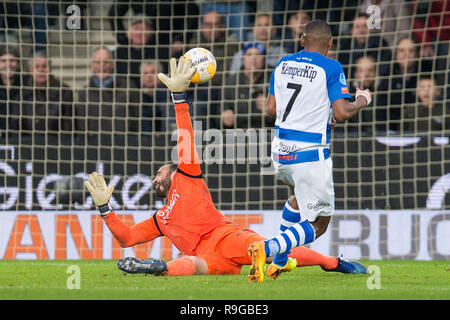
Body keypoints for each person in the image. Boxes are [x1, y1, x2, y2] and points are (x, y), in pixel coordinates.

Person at [83, 57, 367, 279]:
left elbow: (185, 138)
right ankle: (158, 267)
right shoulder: (161, 219)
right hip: (208, 258)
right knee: (194, 265)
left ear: (174, 171)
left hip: (225, 237)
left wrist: (179, 98)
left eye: (159, 172)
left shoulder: (188, 176)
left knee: (269, 253)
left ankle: (332, 263)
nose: (154, 178)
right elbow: (127, 238)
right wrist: (105, 209)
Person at [247, 20, 371, 282]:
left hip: (280, 150)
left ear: (302, 41)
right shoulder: (331, 66)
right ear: (330, 44)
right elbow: (342, 112)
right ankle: (267, 248)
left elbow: (271, 109)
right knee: (319, 223)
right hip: (309, 152)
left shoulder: (283, 64)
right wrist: (361, 100)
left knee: (295, 198)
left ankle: (278, 263)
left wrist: (321, 114)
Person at [75, 46, 140, 134]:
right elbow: (82, 127)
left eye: (106, 61)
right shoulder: (84, 93)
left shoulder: (129, 87)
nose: (102, 65)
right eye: (98, 62)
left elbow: (138, 119)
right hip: (95, 144)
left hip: (125, 143)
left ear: (112, 64)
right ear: (92, 65)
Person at [10, 51, 73, 134]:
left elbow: (68, 127)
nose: (41, 70)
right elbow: (15, 127)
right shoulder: (21, 94)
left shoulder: (64, 92)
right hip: (28, 144)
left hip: (55, 144)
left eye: (44, 66)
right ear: (30, 70)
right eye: (36, 66)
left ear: (50, 69)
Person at [221, 42, 273, 129]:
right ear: (243, 59)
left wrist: (271, 112)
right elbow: (220, 111)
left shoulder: (274, 79)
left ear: (264, 59)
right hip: (239, 134)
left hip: (267, 133)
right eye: (249, 55)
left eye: (257, 54)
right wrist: (225, 117)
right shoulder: (231, 82)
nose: (253, 59)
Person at [187, 11, 239, 87]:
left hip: (216, 86)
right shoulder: (194, 42)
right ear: (202, 26)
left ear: (223, 27)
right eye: (207, 25)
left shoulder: (230, 44)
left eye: (215, 24)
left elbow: (222, 75)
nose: (210, 29)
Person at [140, 60, 169, 133]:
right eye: (145, 73)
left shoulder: (167, 93)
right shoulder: (138, 96)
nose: (149, 76)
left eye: (153, 72)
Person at [0, 45, 23, 134]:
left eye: (12, 61)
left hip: (21, 138)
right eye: (3, 61)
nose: (8, 65)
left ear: (18, 63)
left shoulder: (27, 83)